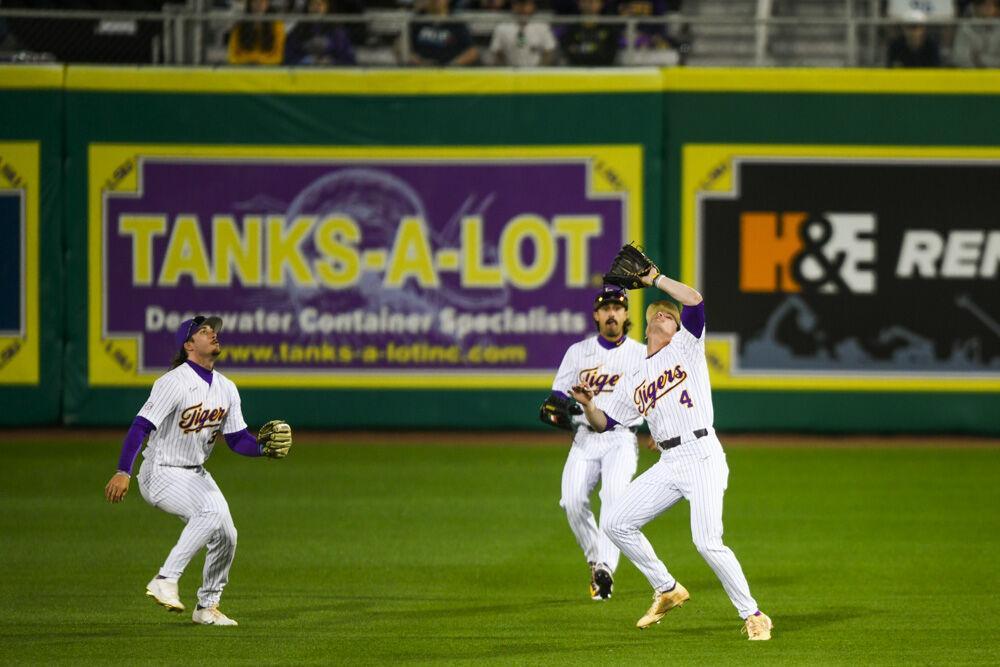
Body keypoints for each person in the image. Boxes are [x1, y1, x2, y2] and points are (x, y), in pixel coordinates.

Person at [570, 262, 773, 641]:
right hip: (670, 462)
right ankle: (666, 587)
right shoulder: (634, 379)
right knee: (615, 522)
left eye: (671, 315)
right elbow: (607, 423)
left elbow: (694, 301)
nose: (666, 316)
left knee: (707, 541)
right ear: (648, 325)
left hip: (702, 455)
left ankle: (754, 614)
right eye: (658, 313)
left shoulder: (687, 346)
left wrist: (654, 279)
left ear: (678, 326)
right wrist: (588, 405)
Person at [104, 315, 293, 626]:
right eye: (204, 331)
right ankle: (165, 578)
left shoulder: (226, 388)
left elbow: (236, 439)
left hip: (195, 473)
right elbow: (140, 427)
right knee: (209, 513)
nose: (213, 334)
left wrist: (260, 448)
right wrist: (123, 470)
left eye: (213, 330)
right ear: (189, 345)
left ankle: (207, 606)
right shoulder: (173, 382)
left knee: (227, 535)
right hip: (161, 471)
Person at [549, 287, 646, 600]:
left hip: (621, 438)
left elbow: (652, 399)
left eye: (618, 308)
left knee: (614, 498)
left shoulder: (639, 354)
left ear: (626, 314)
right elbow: (557, 397)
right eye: (606, 309)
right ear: (596, 315)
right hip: (585, 438)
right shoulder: (578, 353)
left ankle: (605, 567)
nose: (612, 314)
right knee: (572, 500)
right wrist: (558, 409)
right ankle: (596, 558)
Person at [401, 0, 480, 66]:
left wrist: (451, 65)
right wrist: (411, 57)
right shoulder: (417, 21)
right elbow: (399, 45)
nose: (436, 1)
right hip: (420, 71)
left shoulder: (456, 23)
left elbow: (472, 52)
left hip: (447, 74)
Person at [284, 0, 356, 65]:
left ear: (327, 7)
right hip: (305, 73)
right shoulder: (299, 30)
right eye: (312, 5)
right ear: (308, 7)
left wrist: (332, 61)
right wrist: (304, 61)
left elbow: (348, 60)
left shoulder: (337, 32)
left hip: (331, 73)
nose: (316, 8)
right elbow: (288, 58)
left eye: (319, 4)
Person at [489, 0, 557, 66]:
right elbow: (497, 51)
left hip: (535, 71)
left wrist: (539, 69)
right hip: (510, 71)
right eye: (519, 4)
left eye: (527, 4)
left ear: (533, 6)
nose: (523, 8)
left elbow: (549, 50)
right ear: (513, 5)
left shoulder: (542, 26)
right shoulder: (502, 27)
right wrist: (505, 70)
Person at [560, 0, 622, 66]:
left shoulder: (610, 27)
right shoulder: (571, 28)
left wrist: (579, 50)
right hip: (576, 71)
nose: (587, 5)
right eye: (584, 1)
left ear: (601, 4)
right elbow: (568, 53)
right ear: (578, 3)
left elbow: (609, 54)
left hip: (603, 71)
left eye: (591, 2)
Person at [228, 0, 286, 65]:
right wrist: (246, 62)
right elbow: (232, 56)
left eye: (262, 2)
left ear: (267, 4)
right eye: (255, 2)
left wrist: (261, 61)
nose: (259, 5)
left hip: (267, 68)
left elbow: (278, 57)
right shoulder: (239, 24)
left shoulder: (277, 24)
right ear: (249, 4)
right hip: (243, 67)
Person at [952, 0, 1000, 68]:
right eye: (984, 4)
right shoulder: (965, 28)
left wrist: (980, 59)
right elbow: (960, 59)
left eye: (993, 4)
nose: (989, 8)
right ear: (975, 7)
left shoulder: (999, 29)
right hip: (970, 75)